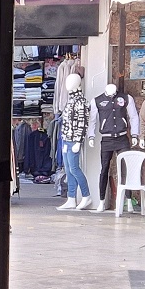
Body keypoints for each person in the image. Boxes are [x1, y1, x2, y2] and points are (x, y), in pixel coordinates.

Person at [55, 73, 92, 210]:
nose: (67, 84)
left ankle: (86, 195)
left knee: (75, 169)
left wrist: (78, 141)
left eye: (71, 81)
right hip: (66, 139)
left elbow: (83, 123)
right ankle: (71, 198)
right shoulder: (70, 100)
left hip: (73, 140)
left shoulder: (81, 101)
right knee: (69, 170)